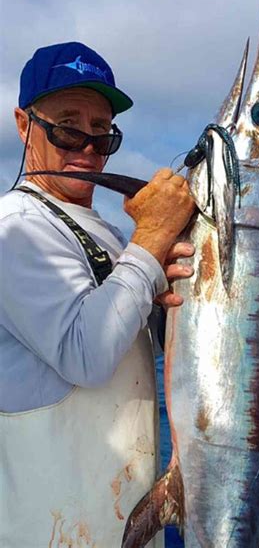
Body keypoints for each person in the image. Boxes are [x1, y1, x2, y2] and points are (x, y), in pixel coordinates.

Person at [0, 42, 196, 547]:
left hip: (124, 521)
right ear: (24, 125)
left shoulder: (108, 234)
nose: (86, 148)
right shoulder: (15, 229)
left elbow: (133, 347)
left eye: (102, 135)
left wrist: (160, 289)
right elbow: (87, 354)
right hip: (53, 529)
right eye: (67, 127)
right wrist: (152, 241)